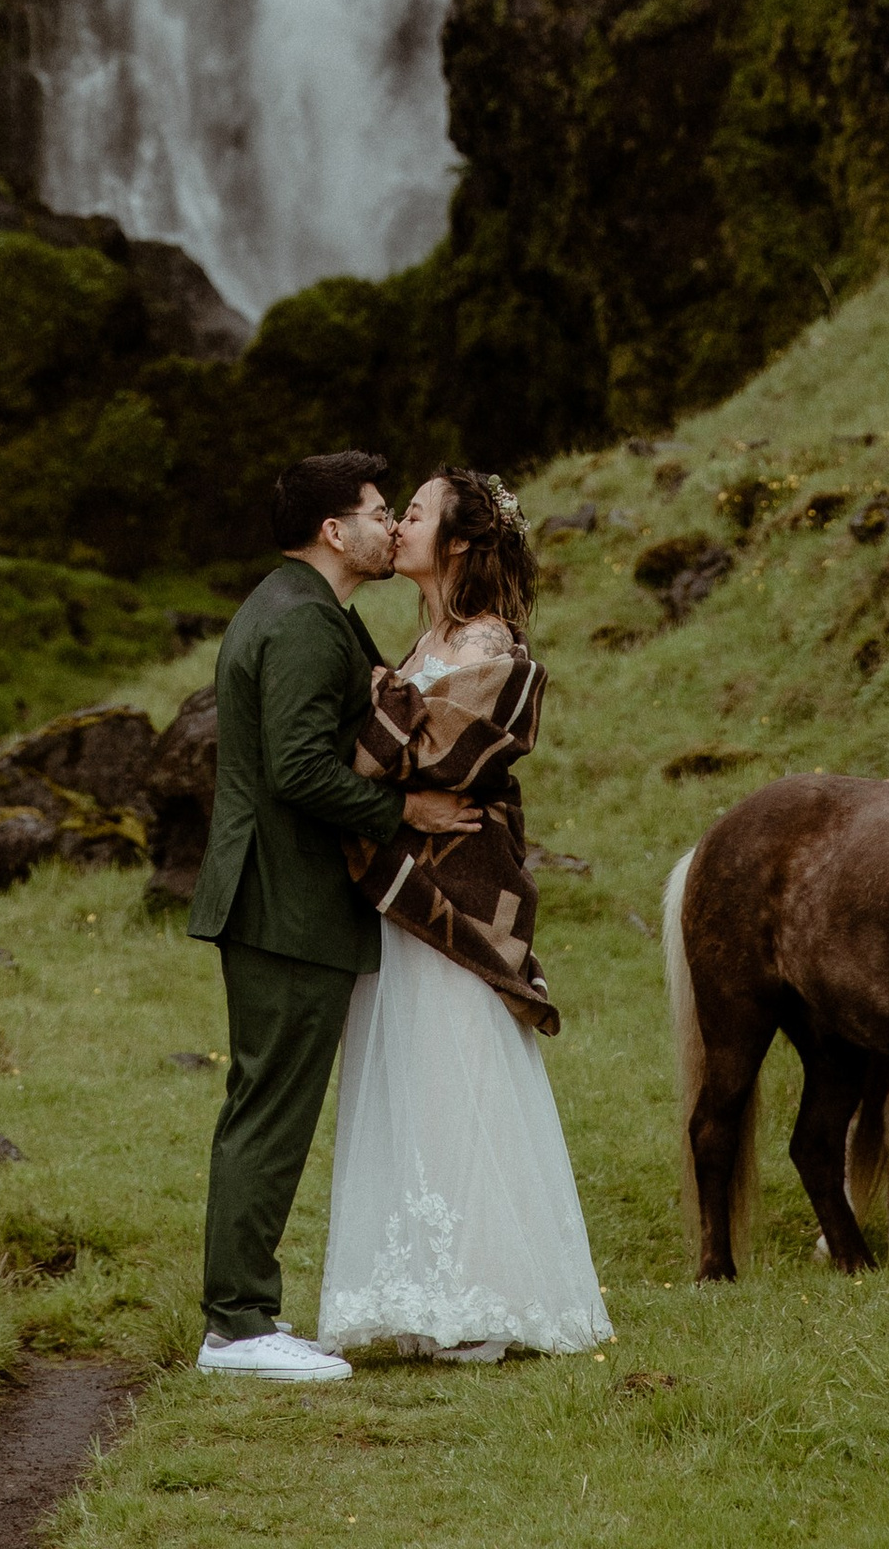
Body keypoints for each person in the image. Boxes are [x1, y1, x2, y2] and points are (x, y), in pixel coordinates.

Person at [189, 450, 482, 1383]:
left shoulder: (302, 608)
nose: (391, 523)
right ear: (334, 530)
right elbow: (298, 770)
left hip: (281, 897)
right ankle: (238, 1326)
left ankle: (243, 1317)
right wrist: (409, 810)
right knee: (269, 1110)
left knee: (265, 1102)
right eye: (377, 509)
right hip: (283, 900)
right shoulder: (306, 623)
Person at [316, 467, 611, 1361]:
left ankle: (484, 1297)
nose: (397, 523)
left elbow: (427, 754)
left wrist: (381, 723)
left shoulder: (497, 650)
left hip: (457, 895)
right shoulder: (421, 647)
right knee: (410, 1074)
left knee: (460, 1074)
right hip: (405, 897)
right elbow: (395, 750)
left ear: (452, 542)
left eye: (413, 511)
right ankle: (421, 1291)